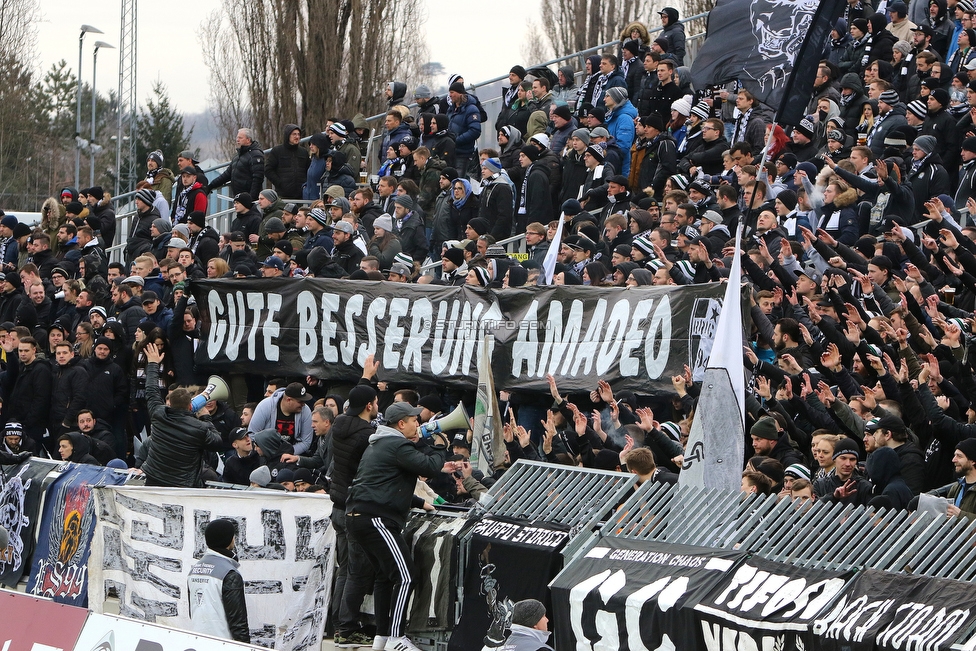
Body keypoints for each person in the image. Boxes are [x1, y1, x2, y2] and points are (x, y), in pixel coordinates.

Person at [344, 401, 457, 651]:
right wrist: (440, 446)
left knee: (386, 577)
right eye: (414, 419)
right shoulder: (396, 443)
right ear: (401, 424)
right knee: (406, 576)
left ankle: (382, 638)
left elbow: (384, 481)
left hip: (361, 516)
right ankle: (396, 638)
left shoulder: (381, 444)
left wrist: (417, 501)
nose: (419, 423)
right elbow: (427, 466)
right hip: (376, 518)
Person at [139, 343, 223, 487]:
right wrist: (205, 417)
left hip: (153, 478)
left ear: (169, 403)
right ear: (190, 406)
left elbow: (151, 390)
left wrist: (153, 364)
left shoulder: (158, 413)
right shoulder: (200, 428)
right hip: (181, 485)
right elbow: (217, 442)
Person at [188, 518, 250, 643]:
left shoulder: (195, 569)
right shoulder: (229, 573)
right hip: (222, 644)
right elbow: (238, 624)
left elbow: (192, 612)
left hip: (197, 642)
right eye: (233, 536)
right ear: (229, 539)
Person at [248, 381, 314, 454]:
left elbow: (306, 442)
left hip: (292, 454)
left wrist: (286, 453)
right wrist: (270, 453)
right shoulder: (265, 406)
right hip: (265, 453)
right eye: (300, 402)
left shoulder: (305, 410)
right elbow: (252, 434)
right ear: (289, 400)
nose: (303, 404)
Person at [207, 128, 265, 198]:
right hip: (238, 198)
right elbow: (227, 175)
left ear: (248, 140)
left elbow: (257, 179)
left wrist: (251, 199)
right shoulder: (237, 156)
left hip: (248, 199)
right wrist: (210, 186)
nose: (237, 140)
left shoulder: (256, 155)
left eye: (240, 138)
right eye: (237, 137)